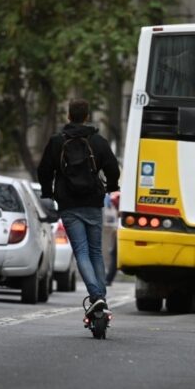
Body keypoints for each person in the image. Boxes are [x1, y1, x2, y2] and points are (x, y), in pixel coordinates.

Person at [38, 99, 120, 316]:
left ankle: (96, 297)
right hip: (93, 202)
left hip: (68, 204)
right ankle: (100, 297)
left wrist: (48, 191)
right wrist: (111, 185)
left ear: (68, 116)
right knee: (96, 253)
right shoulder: (98, 142)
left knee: (81, 252)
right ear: (86, 116)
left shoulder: (57, 142)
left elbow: (44, 170)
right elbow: (113, 168)